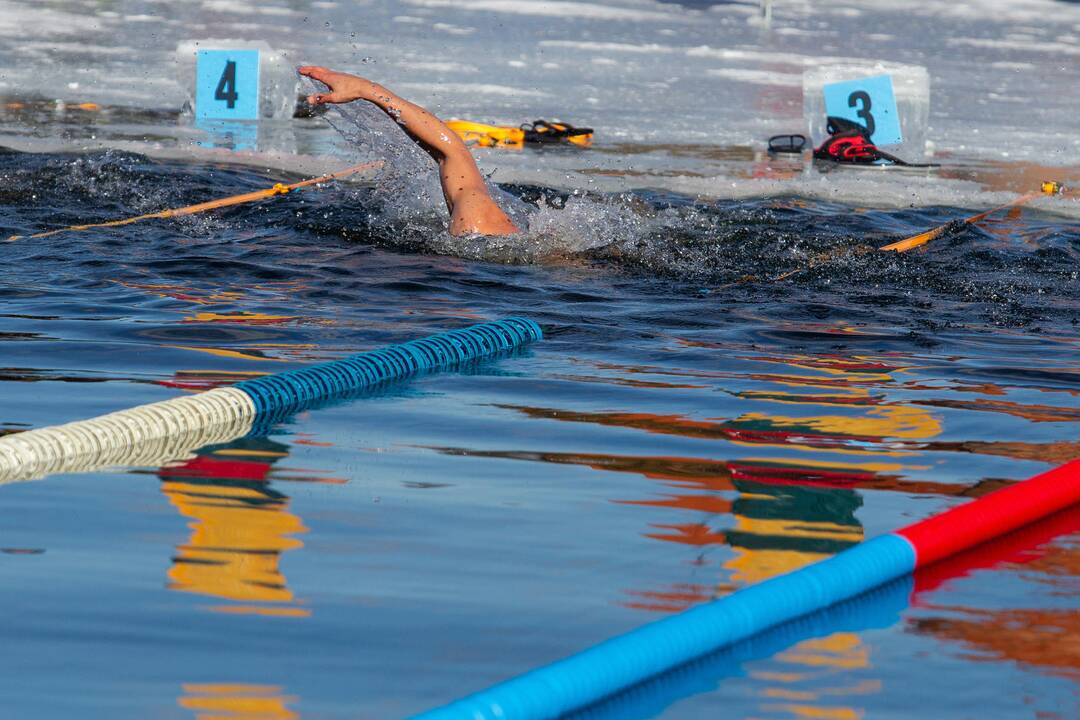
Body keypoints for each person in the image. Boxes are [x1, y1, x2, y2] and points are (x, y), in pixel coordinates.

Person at [299, 66, 520, 237]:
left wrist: (368, 90)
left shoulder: (477, 228)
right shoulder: (479, 225)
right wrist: (367, 90)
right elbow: (452, 153)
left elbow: (452, 152)